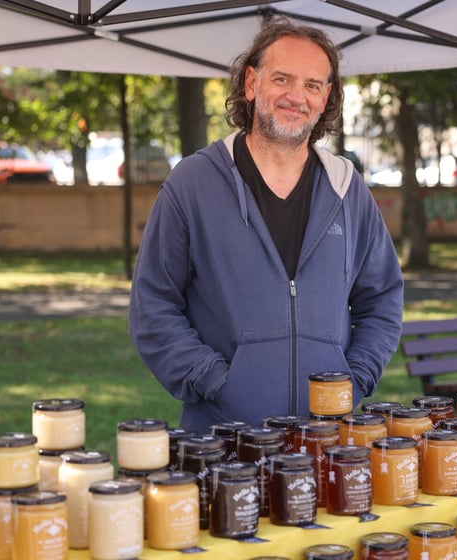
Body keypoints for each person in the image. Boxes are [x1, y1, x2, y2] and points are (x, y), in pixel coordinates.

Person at [128, 16, 403, 434]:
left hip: (325, 443)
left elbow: (382, 299)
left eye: (313, 85)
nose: (297, 96)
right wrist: (214, 380)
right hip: (223, 442)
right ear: (252, 84)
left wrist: (355, 378)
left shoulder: (347, 189)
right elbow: (153, 306)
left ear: (326, 97)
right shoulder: (194, 184)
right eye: (283, 79)